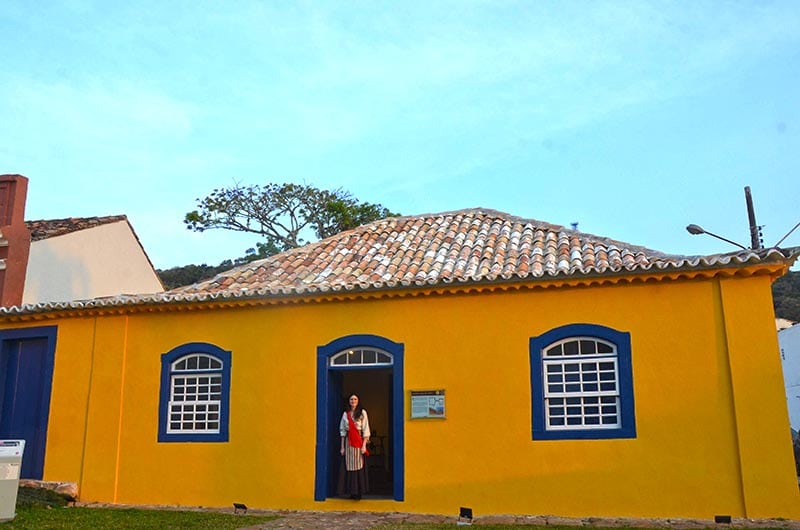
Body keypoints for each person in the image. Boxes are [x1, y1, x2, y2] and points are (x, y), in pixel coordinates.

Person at [338, 394, 370, 499]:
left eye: (355, 399)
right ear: (349, 401)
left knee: (358, 465)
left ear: (358, 401)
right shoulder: (345, 414)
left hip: (358, 441)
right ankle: (352, 491)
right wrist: (342, 446)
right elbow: (342, 431)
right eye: (351, 399)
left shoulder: (362, 413)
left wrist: (364, 445)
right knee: (349, 465)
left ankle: (359, 492)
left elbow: (365, 429)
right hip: (348, 442)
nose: (353, 401)